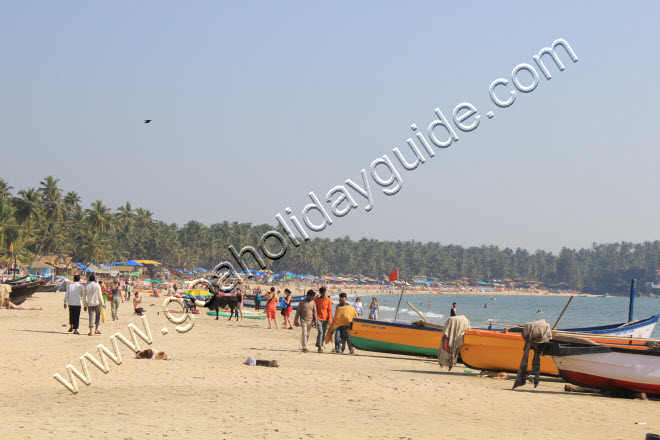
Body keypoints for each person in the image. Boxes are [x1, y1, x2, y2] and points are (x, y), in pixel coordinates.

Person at [314, 286, 333, 353]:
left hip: (326, 319)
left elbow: (330, 310)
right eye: (322, 292)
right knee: (320, 332)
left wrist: (330, 319)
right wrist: (315, 319)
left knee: (324, 333)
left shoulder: (328, 300)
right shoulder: (317, 300)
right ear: (320, 293)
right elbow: (315, 310)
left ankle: (319, 344)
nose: (324, 293)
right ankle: (319, 347)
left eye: (325, 292)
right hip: (318, 318)